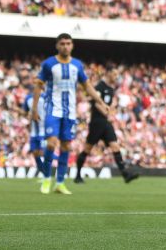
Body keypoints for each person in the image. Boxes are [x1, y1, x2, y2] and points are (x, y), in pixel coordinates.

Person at [33, 33, 110, 195]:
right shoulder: (49, 64)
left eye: (68, 43)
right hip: (52, 110)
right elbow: (38, 86)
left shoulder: (77, 65)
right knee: (52, 143)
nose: (65, 46)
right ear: (57, 46)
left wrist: (101, 102)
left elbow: (87, 86)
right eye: (62, 43)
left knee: (66, 146)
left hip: (70, 113)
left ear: (72, 45)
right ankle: (47, 178)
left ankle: (60, 183)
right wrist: (34, 109)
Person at [74, 68, 139, 184]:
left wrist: (109, 112)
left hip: (105, 122)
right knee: (87, 149)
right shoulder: (100, 86)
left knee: (115, 146)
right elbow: (95, 102)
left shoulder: (111, 89)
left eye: (116, 74)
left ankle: (125, 174)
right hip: (97, 121)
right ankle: (78, 175)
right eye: (114, 74)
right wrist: (106, 111)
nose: (115, 76)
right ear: (108, 74)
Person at [18, 85, 46, 176]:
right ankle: (44, 173)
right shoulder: (28, 98)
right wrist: (17, 109)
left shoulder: (45, 96)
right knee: (35, 153)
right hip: (34, 131)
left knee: (43, 152)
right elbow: (24, 112)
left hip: (44, 130)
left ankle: (48, 173)